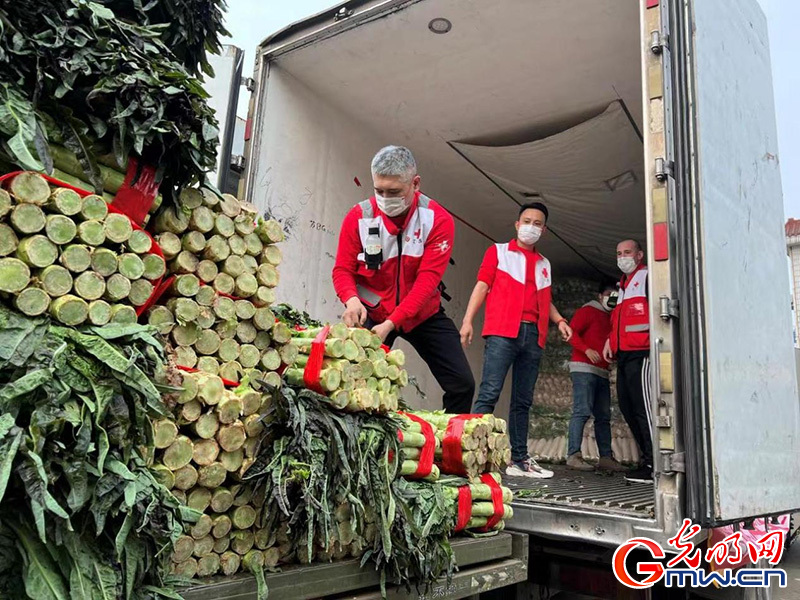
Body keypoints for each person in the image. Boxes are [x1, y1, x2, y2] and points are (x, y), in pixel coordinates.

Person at [332, 146, 475, 413]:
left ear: (415, 183)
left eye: (394, 192)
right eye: (379, 191)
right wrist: (351, 301)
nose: (386, 198)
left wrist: (392, 323)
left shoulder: (437, 220)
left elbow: (427, 282)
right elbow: (342, 270)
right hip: (372, 313)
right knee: (353, 383)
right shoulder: (359, 217)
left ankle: (449, 447)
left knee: (462, 384)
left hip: (422, 314)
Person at [461, 203, 573, 479]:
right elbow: (482, 286)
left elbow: (545, 300)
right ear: (516, 224)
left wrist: (559, 320)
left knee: (523, 401)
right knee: (489, 393)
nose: (531, 227)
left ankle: (519, 459)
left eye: (537, 223)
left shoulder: (544, 264)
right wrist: (467, 320)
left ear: (544, 230)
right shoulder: (498, 252)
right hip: (502, 331)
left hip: (533, 335)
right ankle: (473, 457)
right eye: (527, 221)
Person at [602, 239, 653, 483]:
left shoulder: (646, 279)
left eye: (628, 252)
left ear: (639, 254)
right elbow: (618, 321)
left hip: (641, 353)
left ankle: (655, 463)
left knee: (644, 409)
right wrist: (610, 341)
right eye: (619, 253)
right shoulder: (622, 286)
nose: (622, 257)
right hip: (624, 354)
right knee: (627, 407)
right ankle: (646, 459)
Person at [565, 281, 627, 472]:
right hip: (583, 368)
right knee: (582, 411)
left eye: (615, 294)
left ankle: (606, 457)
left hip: (601, 371)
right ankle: (573, 455)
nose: (612, 297)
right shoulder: (587, 312)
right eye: (609, 293)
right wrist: (587, 349)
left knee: (603, 416)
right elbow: (570, 333)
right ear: (600, 296)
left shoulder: (612, 317)